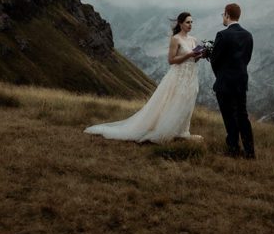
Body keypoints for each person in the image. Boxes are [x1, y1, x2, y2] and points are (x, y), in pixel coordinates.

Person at [84, 12, 203, 143]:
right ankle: (168, 131)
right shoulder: (176, 39)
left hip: (191, 76)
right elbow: (171, 60)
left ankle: (182, 131)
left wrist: (198, 56)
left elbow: (193, 60)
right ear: (180, 24)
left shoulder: (193, 40)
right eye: (187, 22)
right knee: (174, 101)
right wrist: (189, 55)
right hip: (178, 76)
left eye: (192, 22)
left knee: (186, 103)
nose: (190, 25)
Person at [210, 3, 254, 158]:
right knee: (243, 115)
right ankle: (249, 152)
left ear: (227, 15)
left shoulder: (222, 35)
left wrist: (220, 76)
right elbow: (246, 58)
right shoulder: (248, 35)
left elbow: (214, 60)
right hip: (241, 81)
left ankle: (233, 149)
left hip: (225, 82)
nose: (223, 17)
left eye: (223, 14)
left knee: (229, 117)